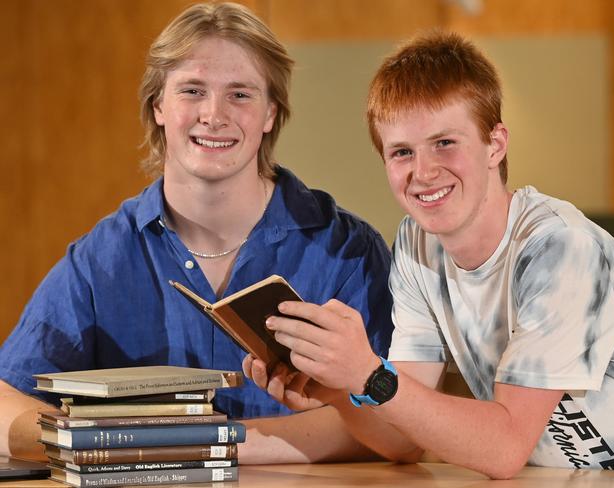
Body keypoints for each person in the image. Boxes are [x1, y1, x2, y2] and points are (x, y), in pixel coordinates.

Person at [0, 1, 393, 463]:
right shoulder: (99, 260)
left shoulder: (349, 252)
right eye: (192, 90)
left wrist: (184, 445)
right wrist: (101, 441)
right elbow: (6, 400)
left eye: (240, 95)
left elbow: (391, 424)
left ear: (270, 113)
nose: (214, 114)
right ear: (159, 106)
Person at [244, 31, 614, 478]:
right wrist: (342, 392)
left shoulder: (559, 247)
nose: (423, 172)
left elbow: (503, 448)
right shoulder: (418, 247)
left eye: (444, 143)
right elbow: (404, 438)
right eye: (402, 152)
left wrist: (367, 372)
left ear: (495, 144)